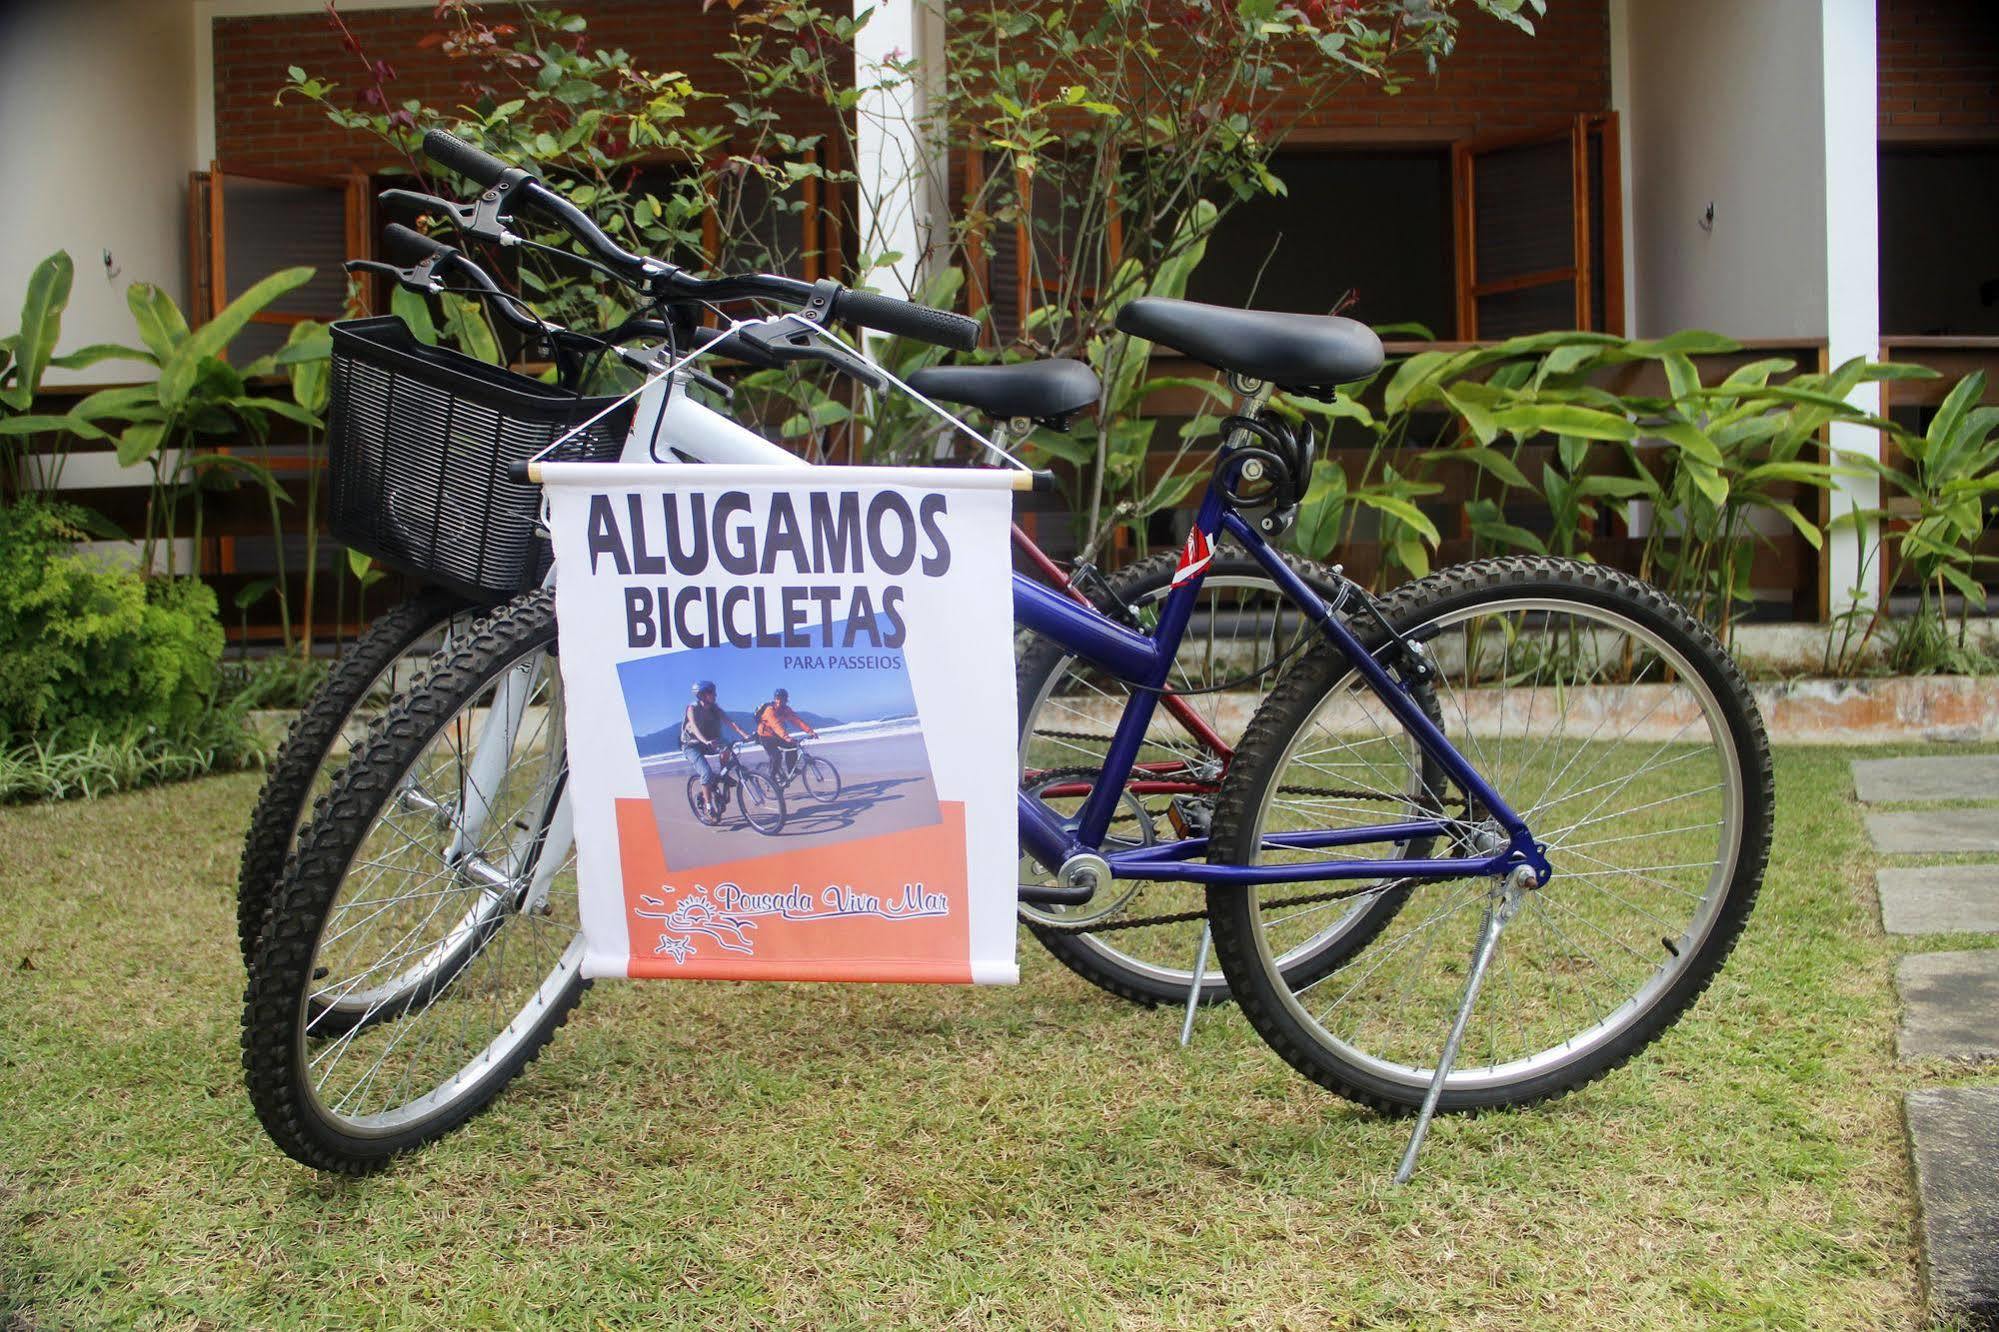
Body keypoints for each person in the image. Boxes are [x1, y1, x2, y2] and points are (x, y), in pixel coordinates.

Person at [681, 680, 750, 818]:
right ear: (702, 695)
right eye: (712, 692)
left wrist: (745, 735)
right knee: (706, 773)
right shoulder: (692, 708)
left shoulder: (715, 709)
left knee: (727, 747)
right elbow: (693, 726)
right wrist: (705, 741)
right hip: (691, 746)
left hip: (710, 742)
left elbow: (730, 723)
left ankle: (724, 775)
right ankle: (708, 806)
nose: (715, 695)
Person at [755, 686, 818, 783]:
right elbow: (775, 724)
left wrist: (810, 731)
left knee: (794, 745)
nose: (780, 701)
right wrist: (786, 737)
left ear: (786, 700)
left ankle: (791, 769)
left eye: (782, 699)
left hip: (777, 735)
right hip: (765, 736)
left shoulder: (786, 710)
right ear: (775, 699)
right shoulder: (769, 710)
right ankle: (771, 779)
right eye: (778, 699)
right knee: (777, 756)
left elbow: (797, 721)